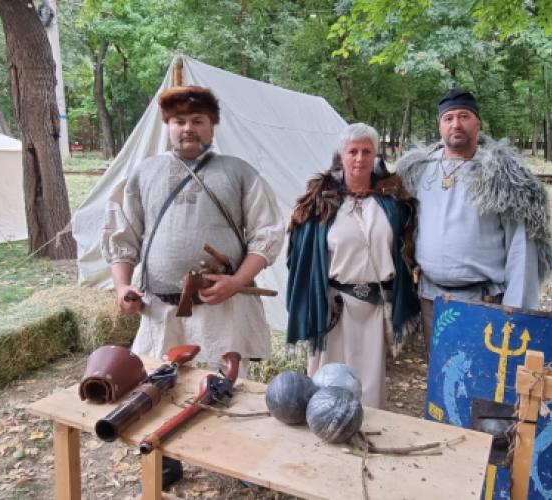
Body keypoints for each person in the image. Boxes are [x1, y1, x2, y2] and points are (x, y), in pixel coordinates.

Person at [101, 85, 284, 486]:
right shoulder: (144, 173)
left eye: (197, 121)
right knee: (158, 386)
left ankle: (235, 459)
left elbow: (268, 234)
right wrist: (122, 286)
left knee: (227, 385)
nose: (188, 129)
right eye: (179, 121)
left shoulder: (239, 173)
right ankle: (164, 461)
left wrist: (237, 281)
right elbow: (122, 235)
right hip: (161, 307)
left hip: (223, 307)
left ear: (212, 125)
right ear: (168, 126)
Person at [397, 88, 552, 356]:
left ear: (478, 123)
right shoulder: (419, 171)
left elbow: (522, 249)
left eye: (464, 116)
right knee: (441, 372)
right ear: (440, 126)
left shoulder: (504, 177)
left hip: (484, 302)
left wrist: (515, 311)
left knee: (483, 374)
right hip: (431, 299)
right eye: (448, 118)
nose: (456, 124)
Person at [286, 123, 420, 409]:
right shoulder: (321, 202)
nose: (360, 159)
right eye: (353, 151)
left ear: (375, 155)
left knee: (368, 387)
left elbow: (406, 250)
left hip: (374, 306)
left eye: (366, 152)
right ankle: (324, 424)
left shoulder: (392, 202)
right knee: (326, 383)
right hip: (333, 306)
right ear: (342, 155)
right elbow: (301, 255)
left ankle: (366, 430)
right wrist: (314, 299)